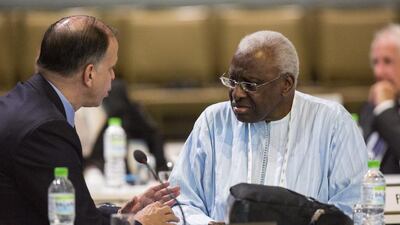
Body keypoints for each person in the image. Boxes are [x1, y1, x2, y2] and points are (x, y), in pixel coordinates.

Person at [168, 30, 368, 224]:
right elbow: (180, 201)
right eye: (232, 81)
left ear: (286, 84)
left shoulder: (332, 123)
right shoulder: (213, 122)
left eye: (250, 85)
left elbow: (354, 208)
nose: (236, 93)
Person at [0, 15, 179, 225]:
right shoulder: (46, 129)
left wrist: (121, 213)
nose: (113, 76)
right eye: (111, 67)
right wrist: (139, 223)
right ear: (90, 74)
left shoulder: (26, 101)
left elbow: (64, 210)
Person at [76, 79, 168, 175]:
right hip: (100, 166)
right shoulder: (121, 114)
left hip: (107, 166)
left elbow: (154, 134)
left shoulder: (125, 114)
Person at [359, 24, 400, 174]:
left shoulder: (382, 107)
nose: (378, 72)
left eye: (387, 61)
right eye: (375, 62)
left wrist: (385, 109)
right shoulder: (371, 106)